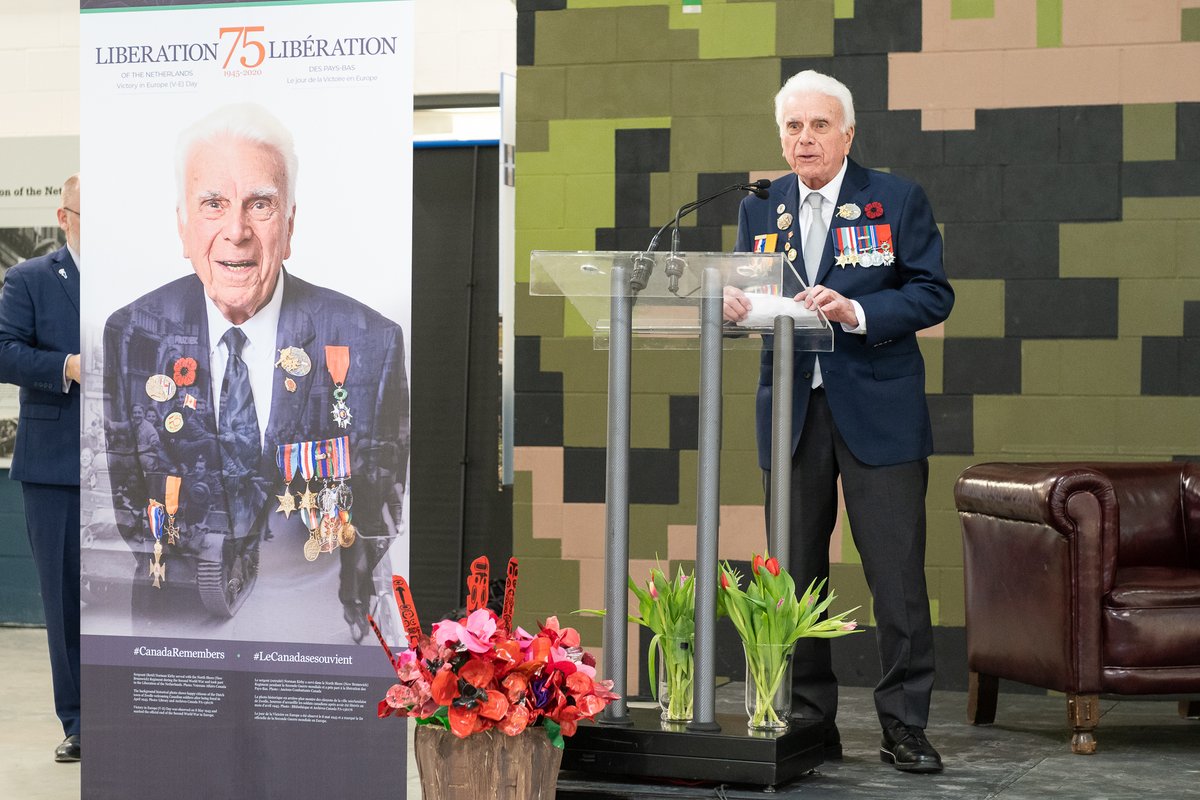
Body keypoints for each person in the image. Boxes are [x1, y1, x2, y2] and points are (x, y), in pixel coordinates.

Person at [102, 103, 409, 642]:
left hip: (313, 629)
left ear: (288, 227)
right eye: (213, 204)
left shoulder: (368, 340)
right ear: (183, 226)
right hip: (176, 627)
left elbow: (379, 506)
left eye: (260, 205)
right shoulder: (131, 334)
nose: (236, 231)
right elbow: (129, 495)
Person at [725, 70, 954, 773]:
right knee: (794, 576)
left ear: (848, 134)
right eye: (793, 127)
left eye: (819, 126)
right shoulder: (761, 206)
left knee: (896, 578)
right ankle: (807, 719)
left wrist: (856, 311)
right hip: (792, 412)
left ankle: (904, 725)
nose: (805, 139)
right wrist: (730, 309)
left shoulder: (895, 198)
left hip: (879, 410)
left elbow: (932, 293)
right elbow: (749, 294)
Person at [0, 174, 83, 762]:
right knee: (63, 596)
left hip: (132, 461)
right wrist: (66, 367)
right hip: (53, 464)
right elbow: (4, 352)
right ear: (63, 216)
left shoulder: (137, 279)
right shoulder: (30, 278)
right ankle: (79, 721)